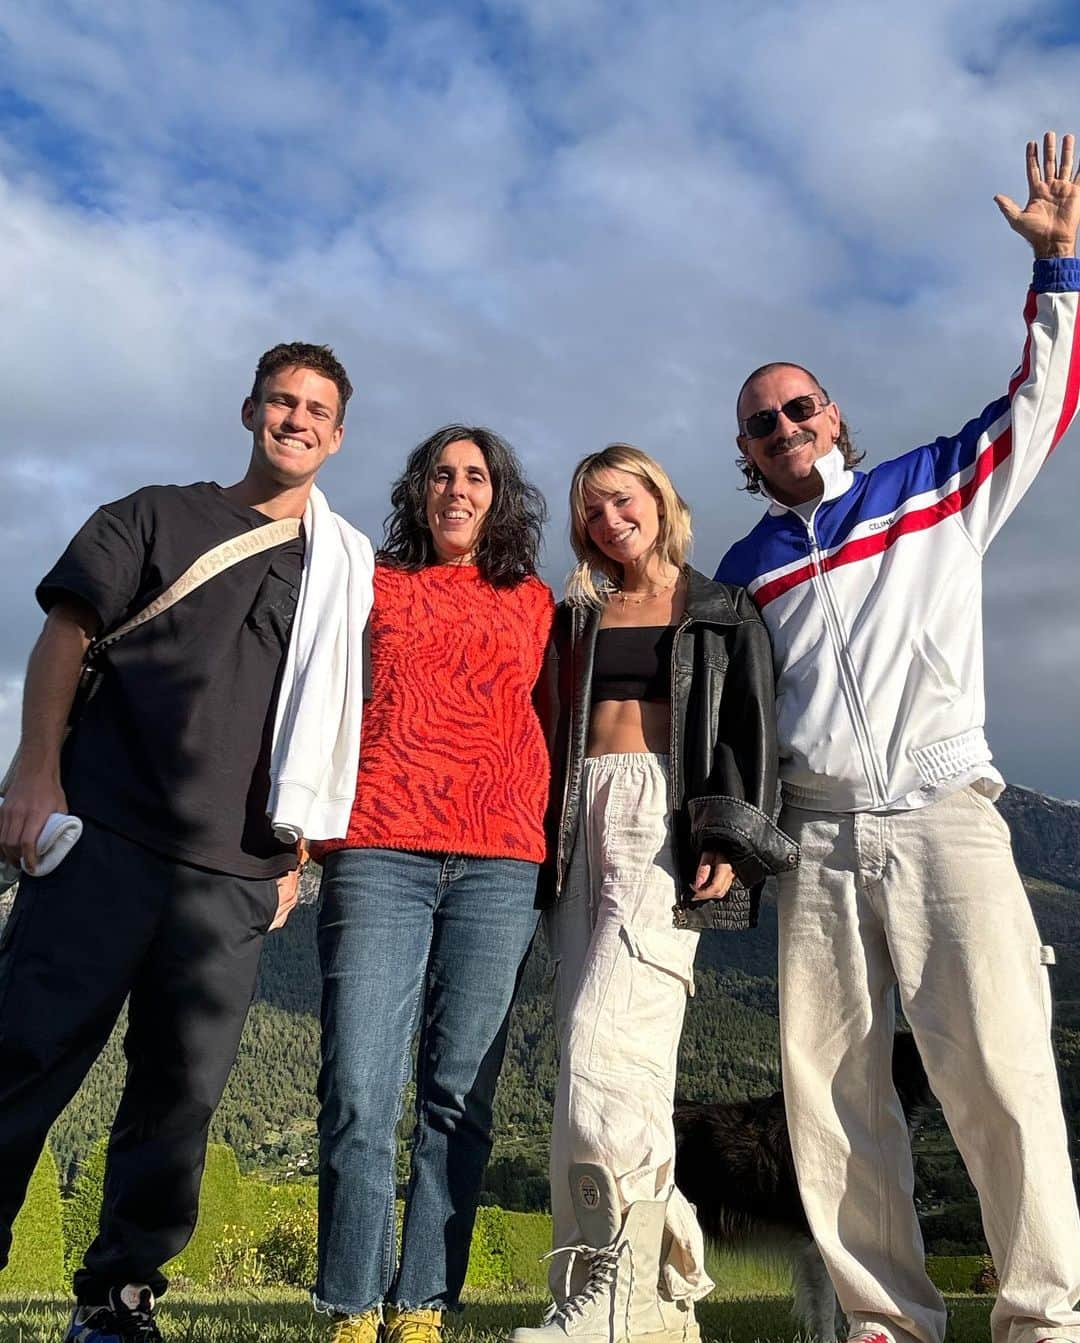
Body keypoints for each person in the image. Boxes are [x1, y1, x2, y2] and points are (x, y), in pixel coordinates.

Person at [716, 132, 1080, 1343]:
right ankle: (886, 1317)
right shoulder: (746, 569)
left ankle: (1041, 1316)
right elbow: (726, 714)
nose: (784, 428)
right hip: (816, 839)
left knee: (1000, 1073)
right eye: (762, 425)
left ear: (835, 413)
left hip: (944, 816)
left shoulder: (930, 490)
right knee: (831, 1091)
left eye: (797, 406)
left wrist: (1058, 266)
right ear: (748, 454)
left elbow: (1044, 402)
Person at [0, 342, 373, 1343]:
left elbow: (335, 719)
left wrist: (296, 856)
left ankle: (119, 1297)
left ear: (339, 435)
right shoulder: (157, 513)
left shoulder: (341, 566)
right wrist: (34, 769)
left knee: (179, 1097)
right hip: (105, 831)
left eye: (317, 409)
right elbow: (67, 631)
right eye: (282, 400)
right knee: (22, 1053)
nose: (296, 419)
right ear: (249, 409)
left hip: (237, 867)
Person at [511, 446, 797, 1343]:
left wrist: (733, 836)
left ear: (659, 501)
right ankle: (633, 1301)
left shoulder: (718, 608)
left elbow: (751, 725)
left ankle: (627, 1290)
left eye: (620, 499)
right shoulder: (578, 612)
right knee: (580, 1076)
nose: (607, 520)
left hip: (660, 819)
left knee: (609, 1051)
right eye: (590, 509)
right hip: (573, 823)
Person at [312, 425, 553, 1343]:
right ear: (420, 491)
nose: (458, 488)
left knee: (459, 1094)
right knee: (361, 1090)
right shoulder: (372, 585)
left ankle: (421, 1306)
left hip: (501, 859)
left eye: (476, 475)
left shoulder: (537, 604)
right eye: (442, 475)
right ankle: (347, 1305)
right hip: (379, 848)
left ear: (499, 496)